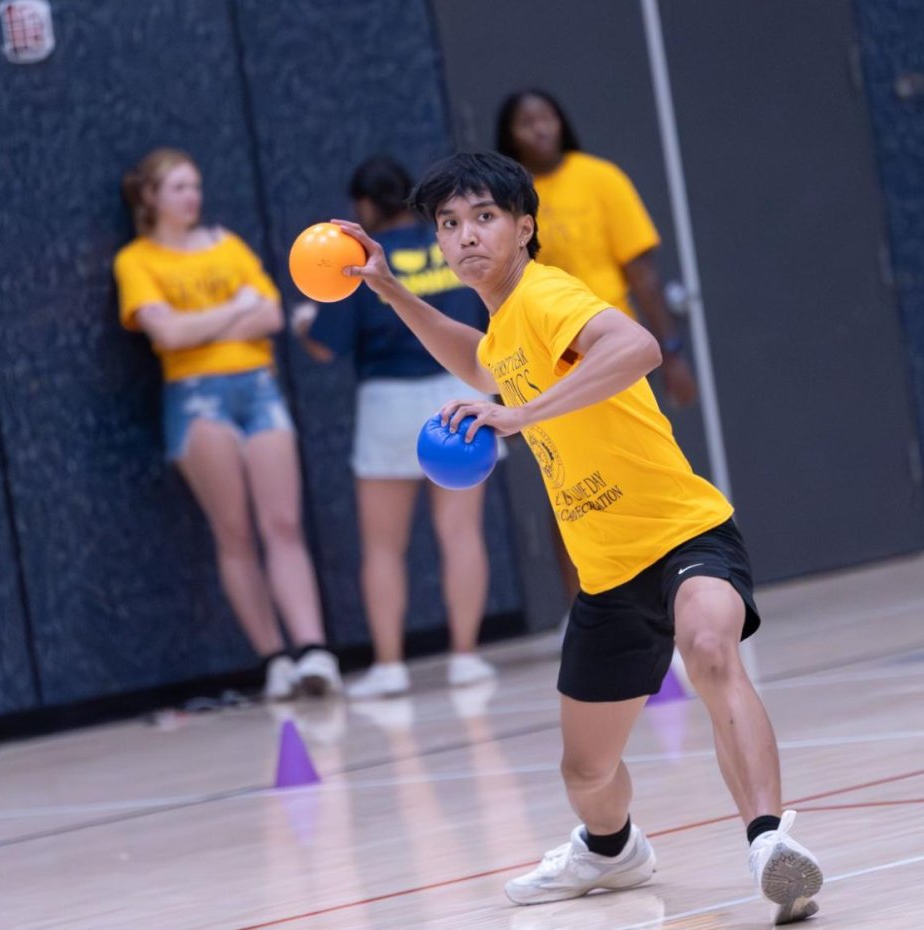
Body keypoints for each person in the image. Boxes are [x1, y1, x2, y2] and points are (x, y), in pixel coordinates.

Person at [332, 153, 822, 925]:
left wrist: (521, 418)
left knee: (710, 648)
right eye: (449, 225)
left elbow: (636, 348)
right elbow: (480, 362)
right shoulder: (505, 325)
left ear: (525, 228)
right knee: (587, 771)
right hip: (607, 574)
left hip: (683, 532)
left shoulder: (548, 293)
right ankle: (611, 849)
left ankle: (770, 843)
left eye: (483, 218)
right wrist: (391, 288)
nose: (465, 237)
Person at [113, 147, 339, 700]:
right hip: (196, 399)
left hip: (258, 390)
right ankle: (274, 658)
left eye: (195, 185)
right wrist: (230, 312)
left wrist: (206, 322)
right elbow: (167, 337)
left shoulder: (228, 243)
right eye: (178, 188)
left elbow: (270, 314)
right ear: (150, 198)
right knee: (233, 530)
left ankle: (313, 651)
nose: (192, 196)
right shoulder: (137, 261)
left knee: (281, 522)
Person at [294, 156, 498, 699]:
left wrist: (300, 323)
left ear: (362, 206)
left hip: (388, 402)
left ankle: (388, 666)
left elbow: (322, 343)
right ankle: (466, 658)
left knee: (383, 545)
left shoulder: (362, 262)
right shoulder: (447, 246)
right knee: (462, 534)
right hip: (461, 392)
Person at [498, 89, 699, 604]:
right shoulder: (506, 206)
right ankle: (585, 609)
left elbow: (642, 272)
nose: (540, 130)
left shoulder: (601, 178)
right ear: (509, 137)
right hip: (547, 359)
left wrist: (671, 352)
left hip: (611, 350)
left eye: (547, 118)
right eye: (526, 123)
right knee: (570, 488)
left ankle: (665, 594)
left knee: (637, 471)